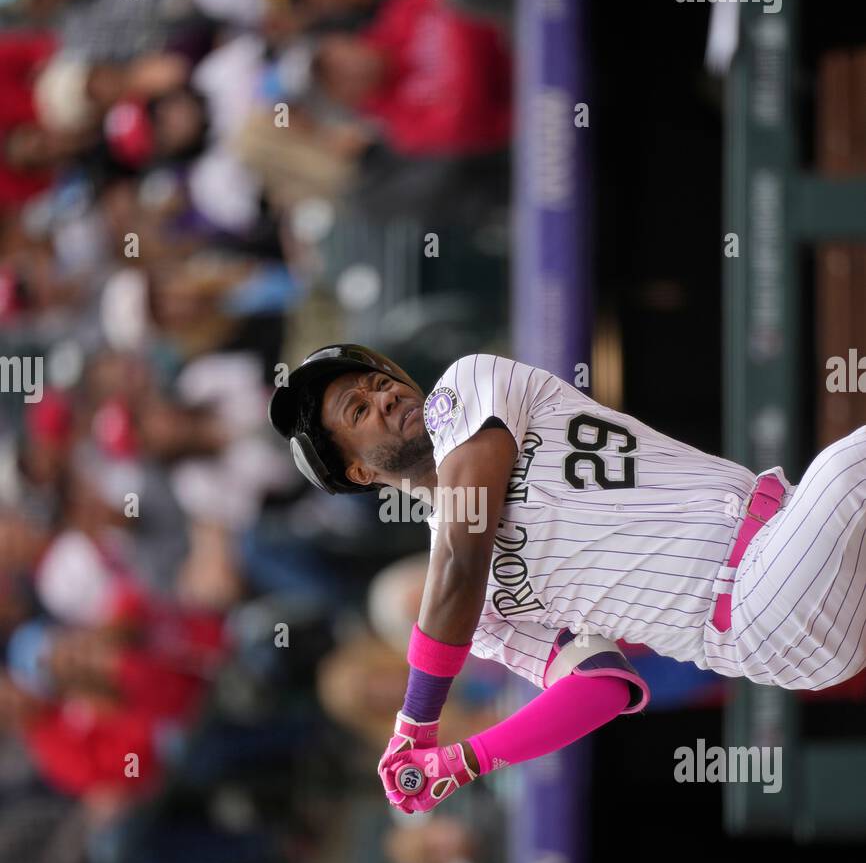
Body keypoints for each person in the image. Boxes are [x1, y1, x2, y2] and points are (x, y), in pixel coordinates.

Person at [270, 344, 866, 813]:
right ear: (356, 469)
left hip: (795, 537)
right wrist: (468, 758)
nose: (384, 397)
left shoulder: (468, 385)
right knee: (848, 467)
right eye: (358, 410)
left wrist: (415, 721)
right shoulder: (472, 620)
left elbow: (464, 547)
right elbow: (603, 686)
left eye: (378, 382)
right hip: (757, 615)